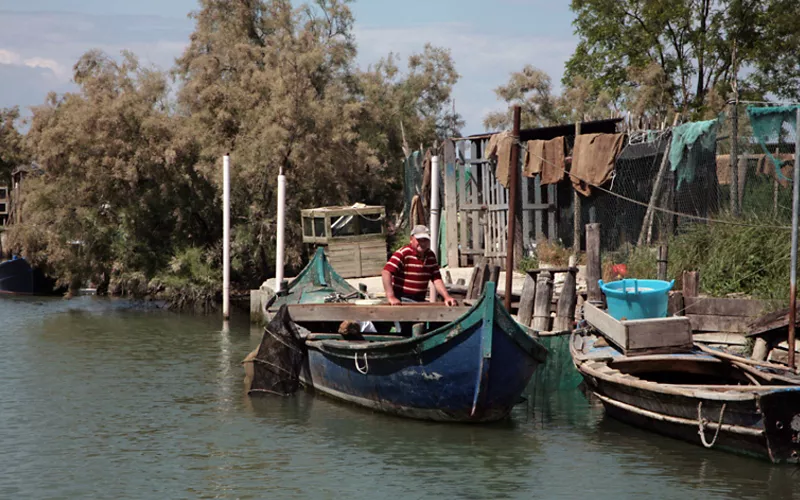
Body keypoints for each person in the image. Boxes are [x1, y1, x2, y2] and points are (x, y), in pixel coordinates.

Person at [382, 225, 457, 307]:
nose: (423, 243)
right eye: (419, 240)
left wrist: (446, 297)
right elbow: (386, 272)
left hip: (419, 299)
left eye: (425, 240)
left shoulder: (430, 256)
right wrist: (391, 296)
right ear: (411, 239)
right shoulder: (403, 253)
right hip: (402, 299)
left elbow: (436, 279)